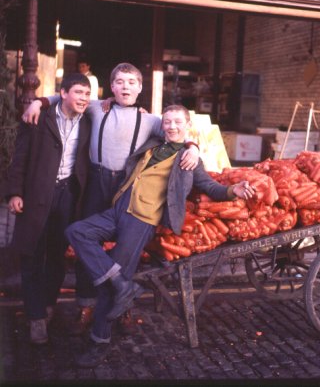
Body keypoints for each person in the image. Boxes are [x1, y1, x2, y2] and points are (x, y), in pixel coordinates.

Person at [65, 104, 254, 368]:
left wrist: (234, 189)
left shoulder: (190, 159)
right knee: (77, 231)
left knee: (108, 285)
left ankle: (99, 341)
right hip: (119, 209)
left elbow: (210, 186)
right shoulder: (152, 142)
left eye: (178, 122)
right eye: (167, 122)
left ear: (187, 125)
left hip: (142, 221)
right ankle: (123, 284)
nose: (172, 126)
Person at [22, 62, 200, 335]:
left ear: (140, 87)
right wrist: (39, 101)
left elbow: (178, 131)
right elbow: (68, 96)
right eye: (120, 82)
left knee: (125, 249)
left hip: (126, 184)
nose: (125, 87)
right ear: (111, 87)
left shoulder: (151, 119)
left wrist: (193, 147)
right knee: (84, 246)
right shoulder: (95, 107)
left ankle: (122, 306)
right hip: (95, 181)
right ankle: (87, 305)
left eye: (131, 82)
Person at [5, 73, 92, 345]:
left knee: (56, 256)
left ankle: (48, 306)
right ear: (63, 93)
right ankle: (35, 318)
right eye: (78, 92)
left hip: (68, 195)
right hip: (36, 194)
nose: (84, 99)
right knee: (32, 254)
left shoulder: (90, 119)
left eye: (87, 94)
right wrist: (14, 193)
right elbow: (19, 158)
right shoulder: (38, 117)